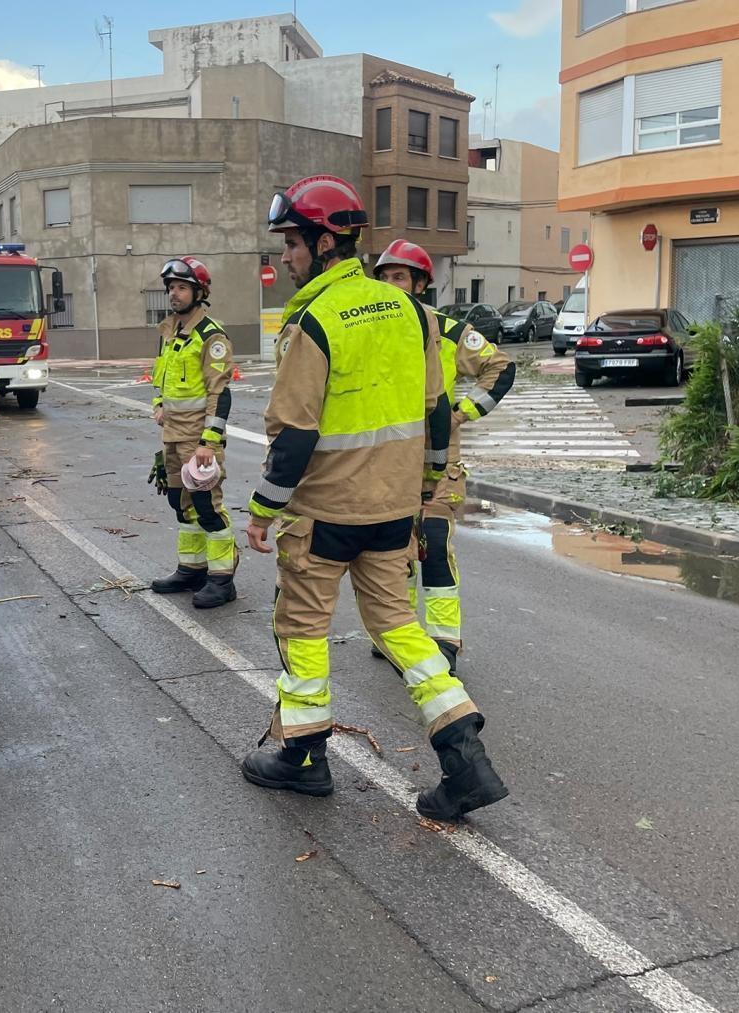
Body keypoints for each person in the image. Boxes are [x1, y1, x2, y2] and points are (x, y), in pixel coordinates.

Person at [239, 176, 508, 822]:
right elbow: (435, 414)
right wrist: (424, 491)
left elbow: (296, 432)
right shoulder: (414, 314)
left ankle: (303, 758)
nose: (285, 256)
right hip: (393, 511)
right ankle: (465, 757)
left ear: (325, 241)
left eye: (292, 243)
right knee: (397, 625)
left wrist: (261, 509)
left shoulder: (314, 320)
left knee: (301, 626)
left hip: (324, 515)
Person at [373, 240, 515, 675]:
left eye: (399, 277)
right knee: (394, 549)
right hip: (387, 460)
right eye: (384, 278)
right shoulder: (372, 333)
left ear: (420, 284)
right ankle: (399, 631)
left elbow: (501, 368)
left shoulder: (448, 331)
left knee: (433, 544)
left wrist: (463, 413)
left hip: (439, 457)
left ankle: (443, 640)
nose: (391, 285)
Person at [147, 256, 238, 608]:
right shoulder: (169, 331)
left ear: (199, 292)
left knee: (206, 505)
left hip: (197, 438)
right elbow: (161, 376)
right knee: (179, 503)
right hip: (171, 433)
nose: (174, 294)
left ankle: (222, 578)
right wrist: (158, 403)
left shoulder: (211, 335)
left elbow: (220, 393)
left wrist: (208, 443)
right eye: (171, 287)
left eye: (182, 287)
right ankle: (192, 569)